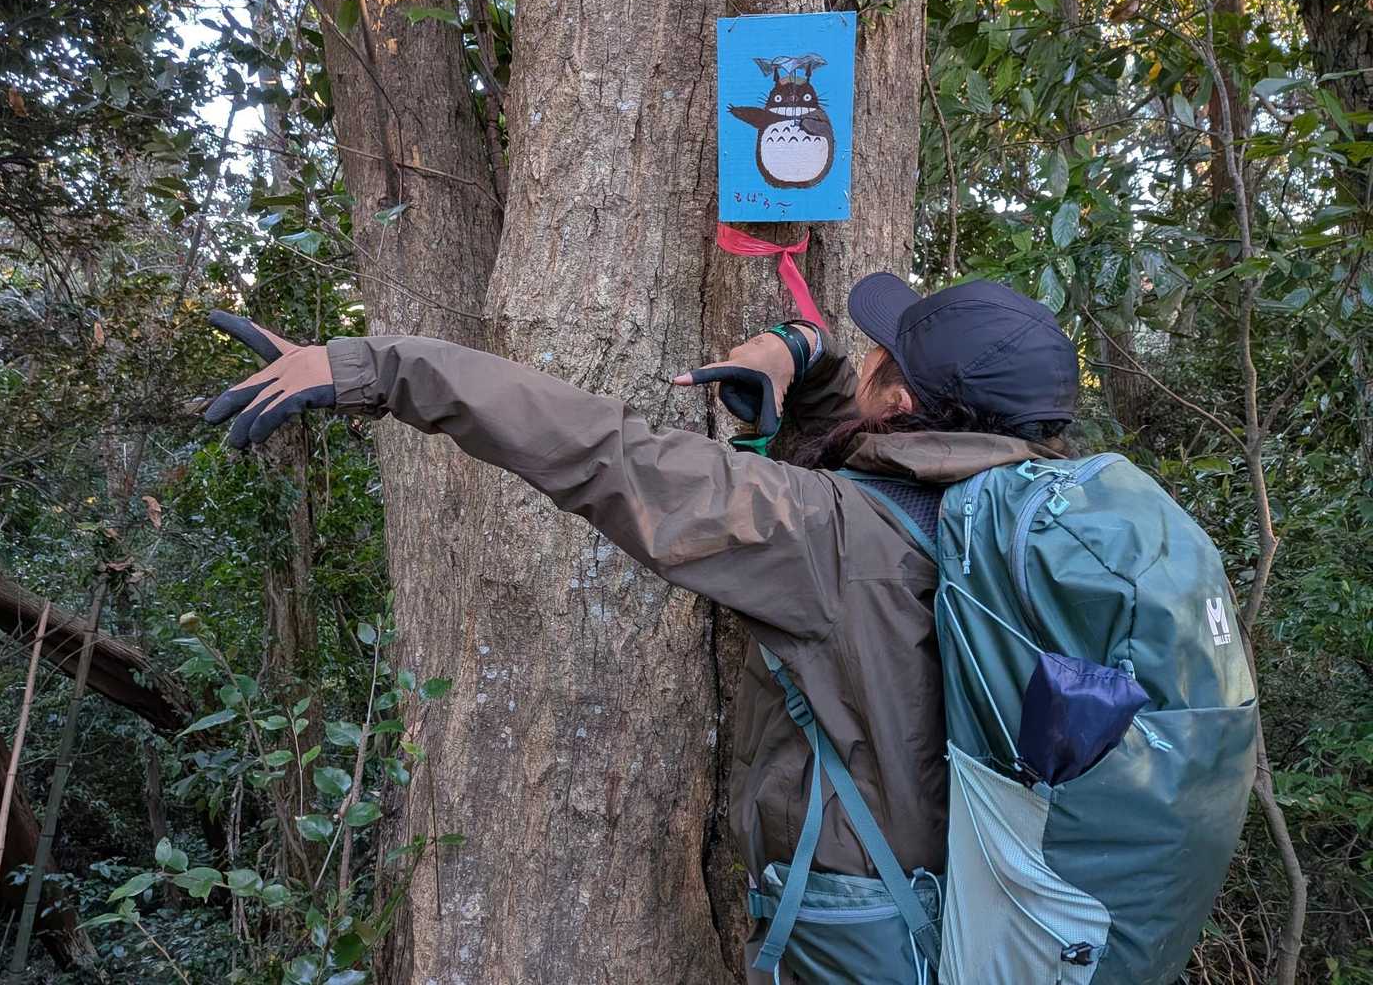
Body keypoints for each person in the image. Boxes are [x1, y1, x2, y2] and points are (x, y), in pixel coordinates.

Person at [205, 271, 1079, 982]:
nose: (873, 354)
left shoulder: (825, 537)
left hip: (866, 925)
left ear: (900, 402)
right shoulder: (1036, 528)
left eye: (883, 357)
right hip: (992, 897)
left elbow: (608, 451)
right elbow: (883, 483)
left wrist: (379, 366)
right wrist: (805, 360)